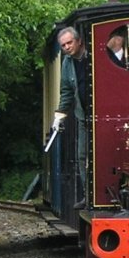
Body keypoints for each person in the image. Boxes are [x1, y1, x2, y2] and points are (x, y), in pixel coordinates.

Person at [52, 26, 87, 207]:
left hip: (103, 115)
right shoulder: (67, 63)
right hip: (83, 116)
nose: (66, 47)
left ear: (79, 41)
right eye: (63, 45)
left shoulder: (92, 56)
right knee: (82, 155)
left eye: (69, 43)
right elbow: (66, 92)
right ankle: (89, 195)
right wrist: (59, 115)